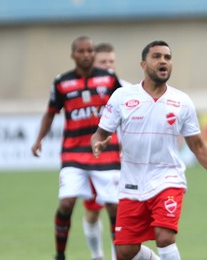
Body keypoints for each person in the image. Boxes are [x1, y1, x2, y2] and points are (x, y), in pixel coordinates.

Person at [91, 40, 207, 260]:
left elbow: (198, 145)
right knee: (125, 252)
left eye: (167, 57)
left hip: (168, 179)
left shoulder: (182, 101)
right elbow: (100, 133)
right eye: (156, 56)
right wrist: (97, 142)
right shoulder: (122, 97)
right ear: (143, 64)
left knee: (164, 237)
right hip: (131, 183)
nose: (163, 61)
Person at [31, 36, 122, 260]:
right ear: (73, 55)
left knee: (114, 207)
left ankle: (119, 256)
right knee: (67, 202)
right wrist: (39, 139)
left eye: (90, 50)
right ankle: (60, 255)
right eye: (81, 51)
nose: (86, 54)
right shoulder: (62, 82)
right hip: (74, 153)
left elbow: (124, 109)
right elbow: (51, 112)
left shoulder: (109, 79)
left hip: (106, 153)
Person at [81, 42, 131, 260]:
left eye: (111, 61)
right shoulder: (82, 90)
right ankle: (96, 255)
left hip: (118, 162)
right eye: (103, 62)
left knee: (116, 210)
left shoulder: (126, 89)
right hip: (90, 161)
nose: (108, 66)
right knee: (92, 212)